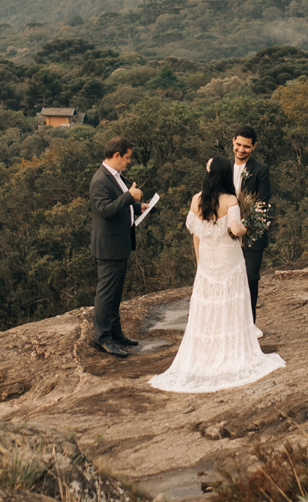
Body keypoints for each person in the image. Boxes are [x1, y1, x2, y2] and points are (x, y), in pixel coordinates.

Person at [149, 157, 283, 393]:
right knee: (230, 304)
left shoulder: (196, 200)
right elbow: (234, 229)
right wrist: (246, 227)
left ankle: (207, 352)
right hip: (229, 261)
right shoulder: (230, 200)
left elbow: (196, 235)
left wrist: (200, 263)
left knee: (208, 307)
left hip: (207, 264)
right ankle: (231, 350)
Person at [89, 136, 144, 357]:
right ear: (116, 155)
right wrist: (130, 196)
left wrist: (139, 206)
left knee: (116, 292)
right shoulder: (100, 180)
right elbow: (104, 210)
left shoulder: (116, 177)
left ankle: (115, 332)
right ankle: (102, 339)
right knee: (106, 294)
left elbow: (121, 204)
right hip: (109, 246)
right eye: (127, 157)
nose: (129, 162)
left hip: (120, 243)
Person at [232, 125, 271, 325]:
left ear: (253, 147)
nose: (241, 149)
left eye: (246, 146)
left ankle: (250, 324)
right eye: (238, 144)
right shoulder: (224, 167)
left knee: (250, 279)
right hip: (228, 235)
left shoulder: (261, 170)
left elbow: (262, 202)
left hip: (253, 234)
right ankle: (232, 323)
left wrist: (243, 226)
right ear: (233, 142)